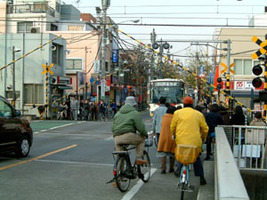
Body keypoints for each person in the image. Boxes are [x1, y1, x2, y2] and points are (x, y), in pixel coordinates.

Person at [170, 96, 209, 185]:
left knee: (180, 154)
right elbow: (205, 129)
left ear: (183, 104)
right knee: (196, 158)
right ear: (192, 104)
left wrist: (174, 135)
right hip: (195, 142)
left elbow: (172, 127)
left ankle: (178, 168)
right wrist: (202, 138)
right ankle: (201, 177)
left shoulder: (177, 113)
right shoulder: (199, 114)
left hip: (180, 140)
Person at [112, 96, 148, 165]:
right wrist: (145, 134)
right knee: (141, 140)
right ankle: (138, 159)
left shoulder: (118, 113)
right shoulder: (135, 113)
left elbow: (113, 128)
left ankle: (119, 171)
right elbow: (141, 128)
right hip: (129, 136)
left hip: (117, 138)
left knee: (120, 154)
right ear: (133, 105)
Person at [157, 106, 177, 174]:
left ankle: (163, 168)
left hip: (163, 136)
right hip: (172, 137)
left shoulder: (164, 117)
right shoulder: (175, 118)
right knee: (172, 153)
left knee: (163, 153)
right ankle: (171, 168)